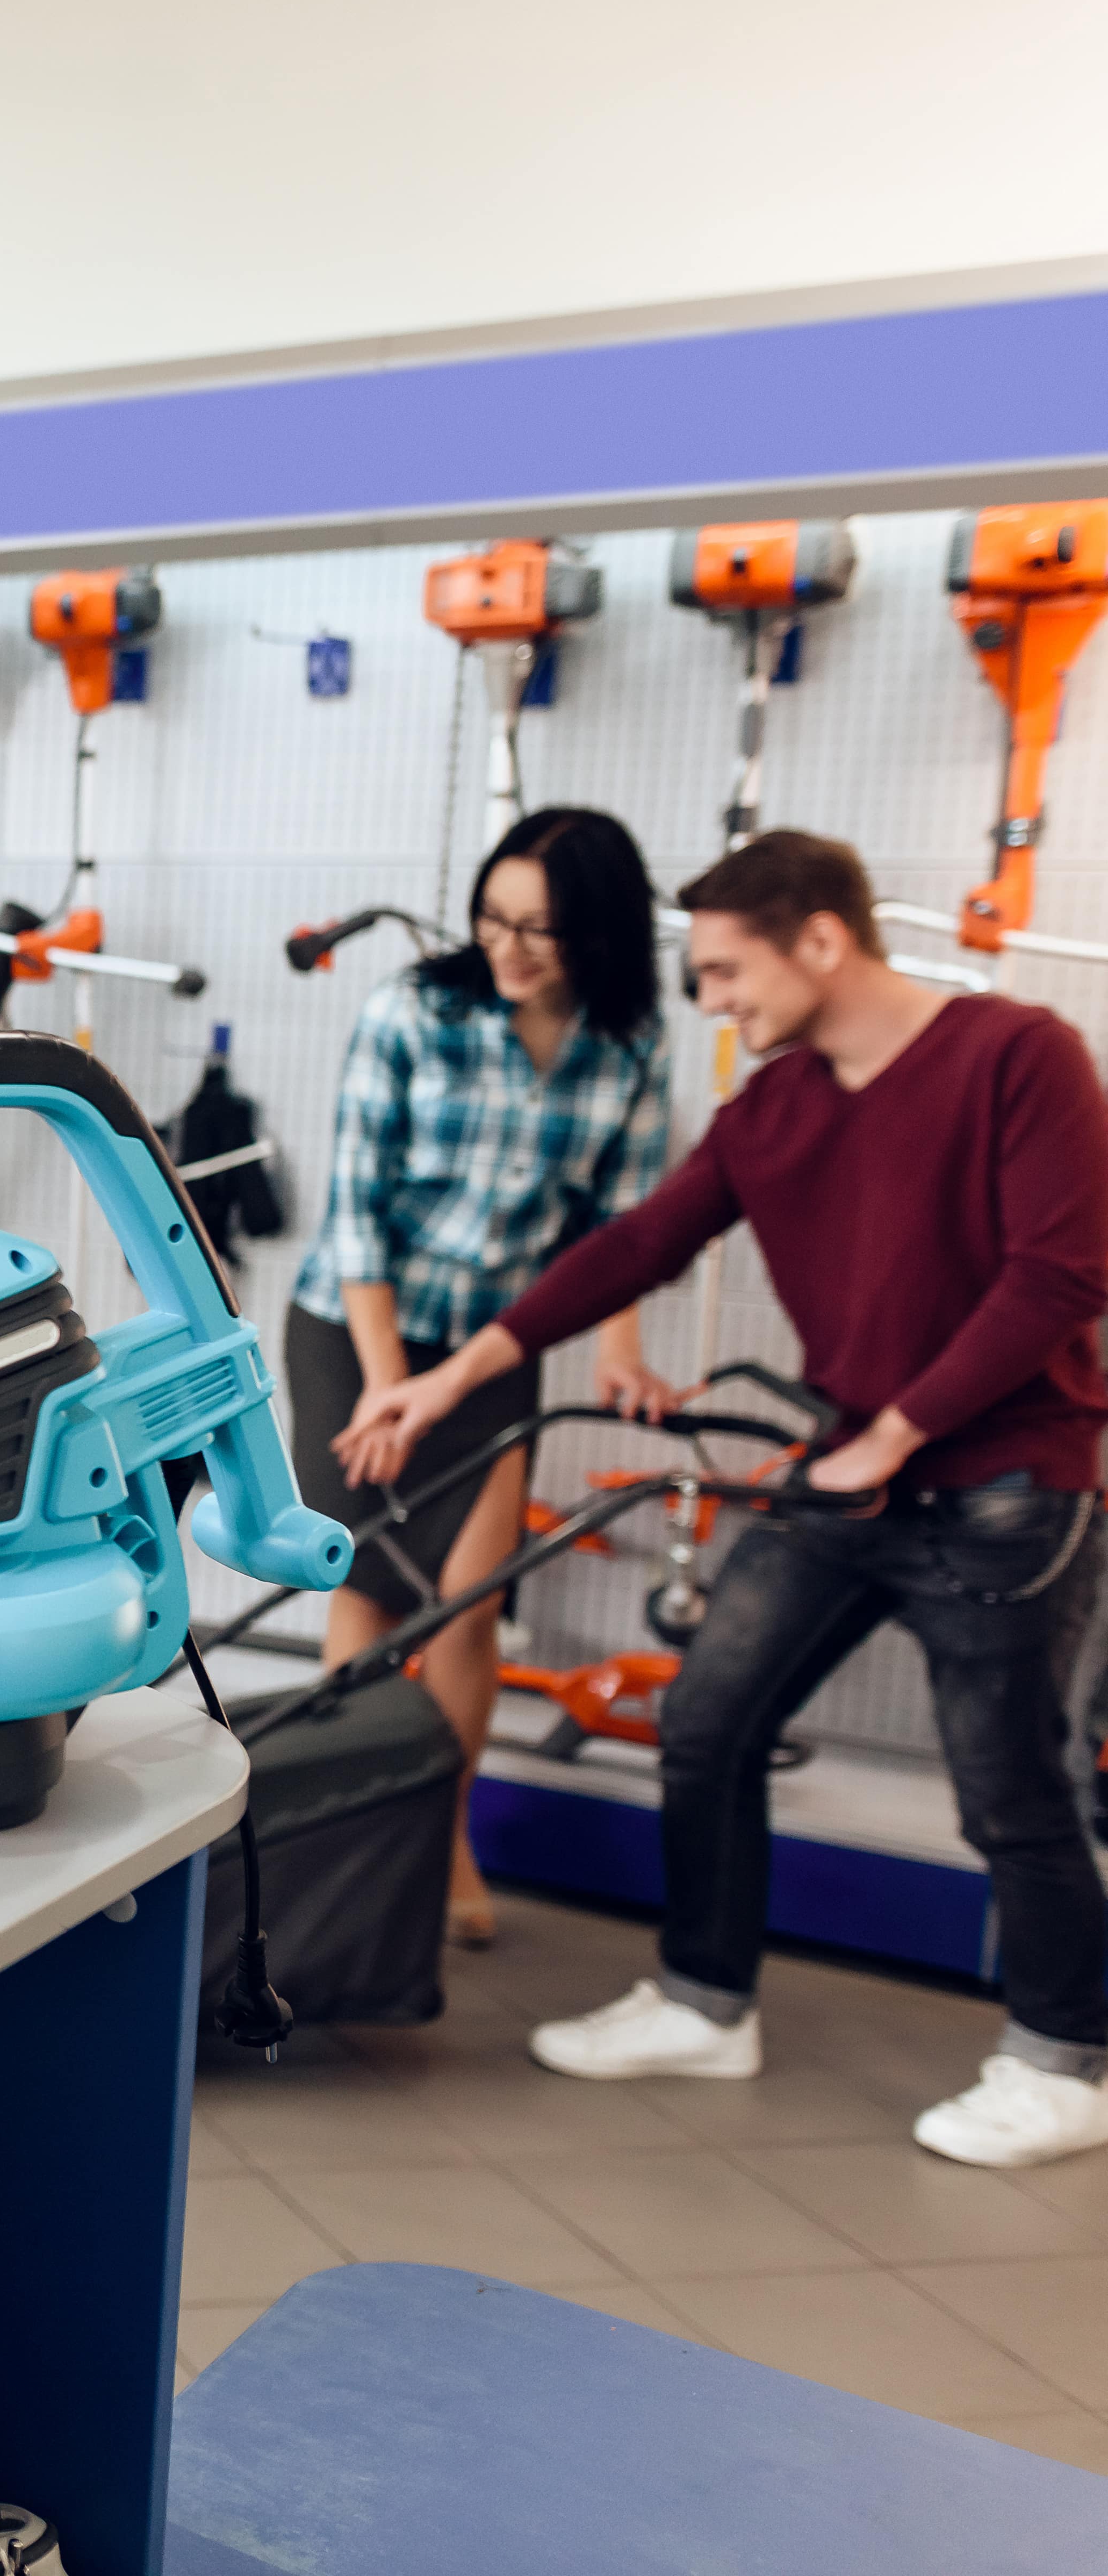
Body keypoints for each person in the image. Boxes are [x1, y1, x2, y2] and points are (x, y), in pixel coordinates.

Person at [345, 831, 1108, 2168]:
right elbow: (635, 1244)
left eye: (721, 970)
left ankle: (1059, 2061)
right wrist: (448, 1373)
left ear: (819, 938)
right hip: (852, 1472)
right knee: (705, 1718)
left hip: (1001, 1483)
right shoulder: (777, 1107)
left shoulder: (1016, 1055)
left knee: (1007, 1787)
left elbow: (1058, 1276)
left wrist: (896, 1431)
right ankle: (706, 2000)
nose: (707, 1004)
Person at [286, 806, 672, 1948]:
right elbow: (352, 1219)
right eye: (492, 920)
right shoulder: (411, 1010)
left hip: (494, 1348)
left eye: (538, 931)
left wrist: (615, 1353)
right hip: (355, 1331)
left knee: (468, 1602)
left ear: (597, 934)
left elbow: (622, 1230)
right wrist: (380, 1384)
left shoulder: (630, 1044)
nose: (505, 948)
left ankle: (439, 1834)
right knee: (366, 1585)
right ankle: (346, 1839)